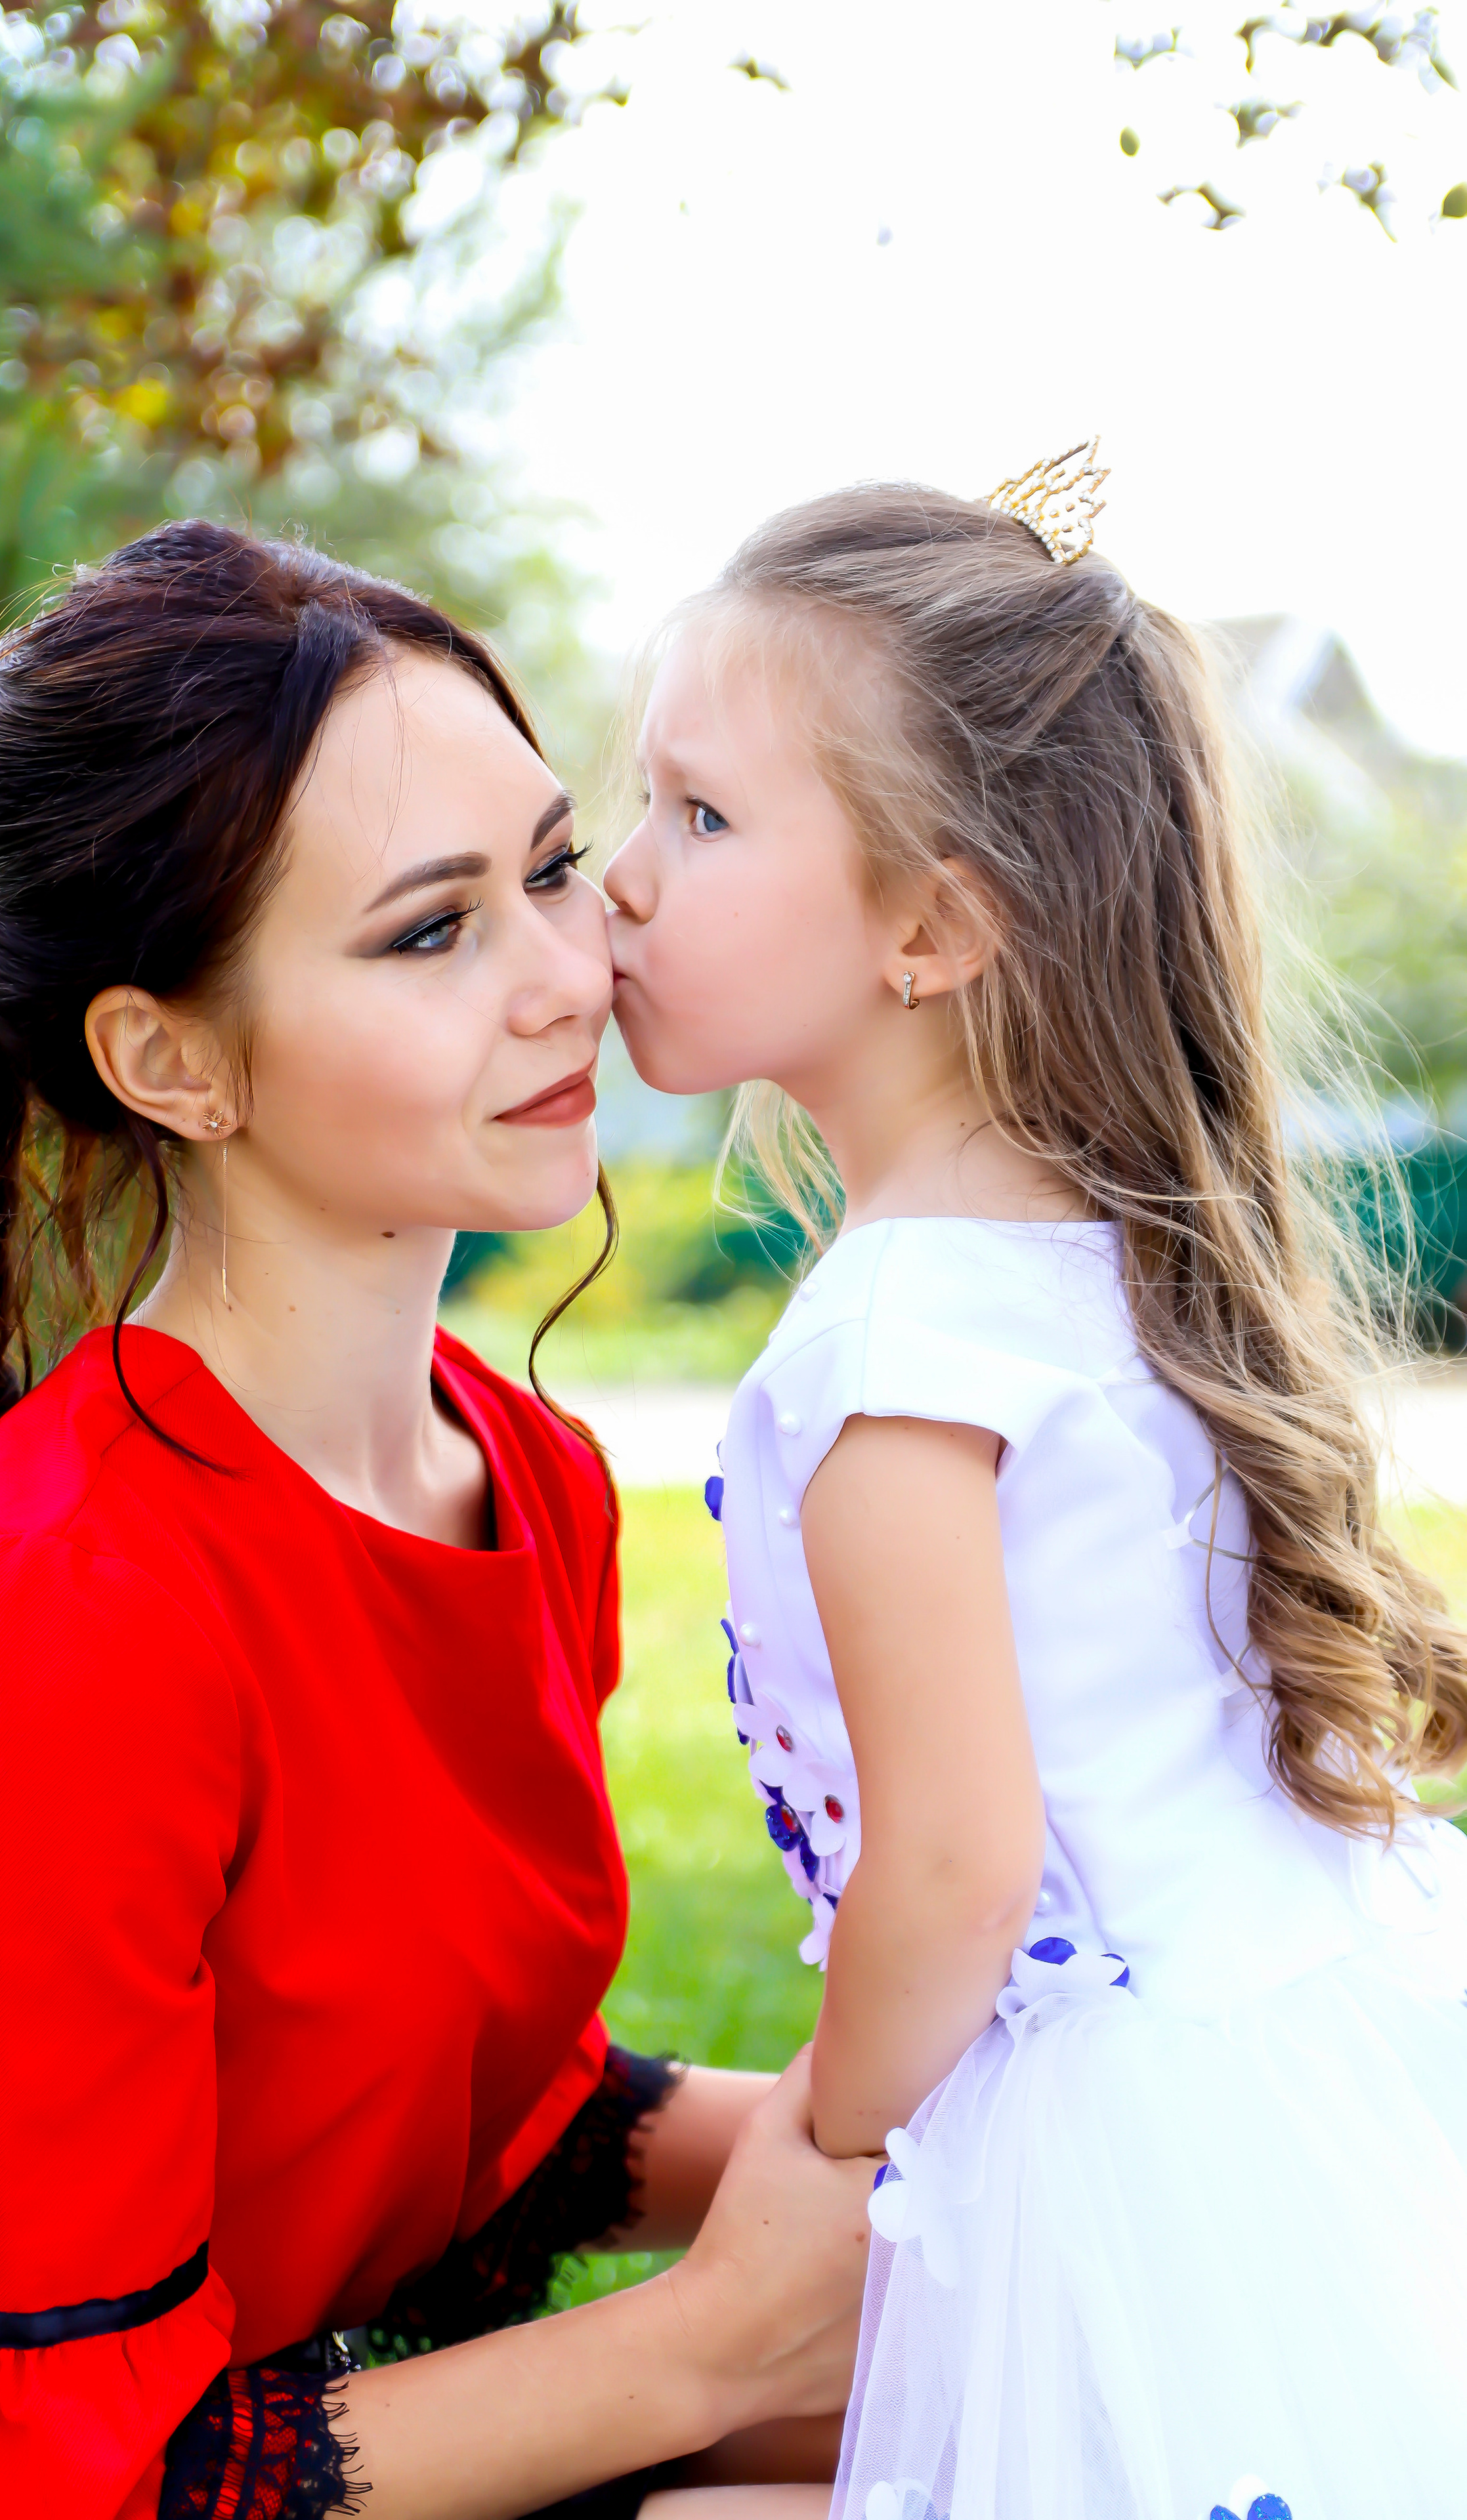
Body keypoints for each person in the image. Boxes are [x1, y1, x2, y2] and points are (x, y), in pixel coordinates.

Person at [0, 521, 877, 2520]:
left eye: (553, 869)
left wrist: (1005, 2154)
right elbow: (56, 2485)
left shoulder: (522, 1476)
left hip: (301, 2425)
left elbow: (471, 2118)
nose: (569, 976)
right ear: (168, 1060)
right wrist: (721, 2340)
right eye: (430, 933)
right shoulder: (60, 1611)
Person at [603, 461, 1467, 2520]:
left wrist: (828, 2135)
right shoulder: (1107, 1264)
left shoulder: (900, 1343)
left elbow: (959, 1866)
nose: (617, 878)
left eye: (698, 818)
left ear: (932, 927)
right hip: (1290, 2084)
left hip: (1118, 2159)